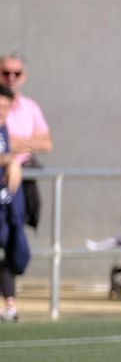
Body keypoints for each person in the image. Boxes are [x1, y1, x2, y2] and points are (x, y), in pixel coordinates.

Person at [0, 52, 51, 230]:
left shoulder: (30, 107)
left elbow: (46, 143)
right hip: (2, 173)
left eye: (17, 73)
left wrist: (12, 143)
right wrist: (27, 143)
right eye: (6, 73)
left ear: (24, 76)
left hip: (22, 178)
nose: (11, 78)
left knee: (16, 229)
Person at [0, 86, 30, 322]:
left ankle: (10, 304)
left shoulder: (4, 128)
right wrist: (11, 160)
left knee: (12, 250)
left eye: (5, 108)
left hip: (5, 202)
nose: (2, 112)